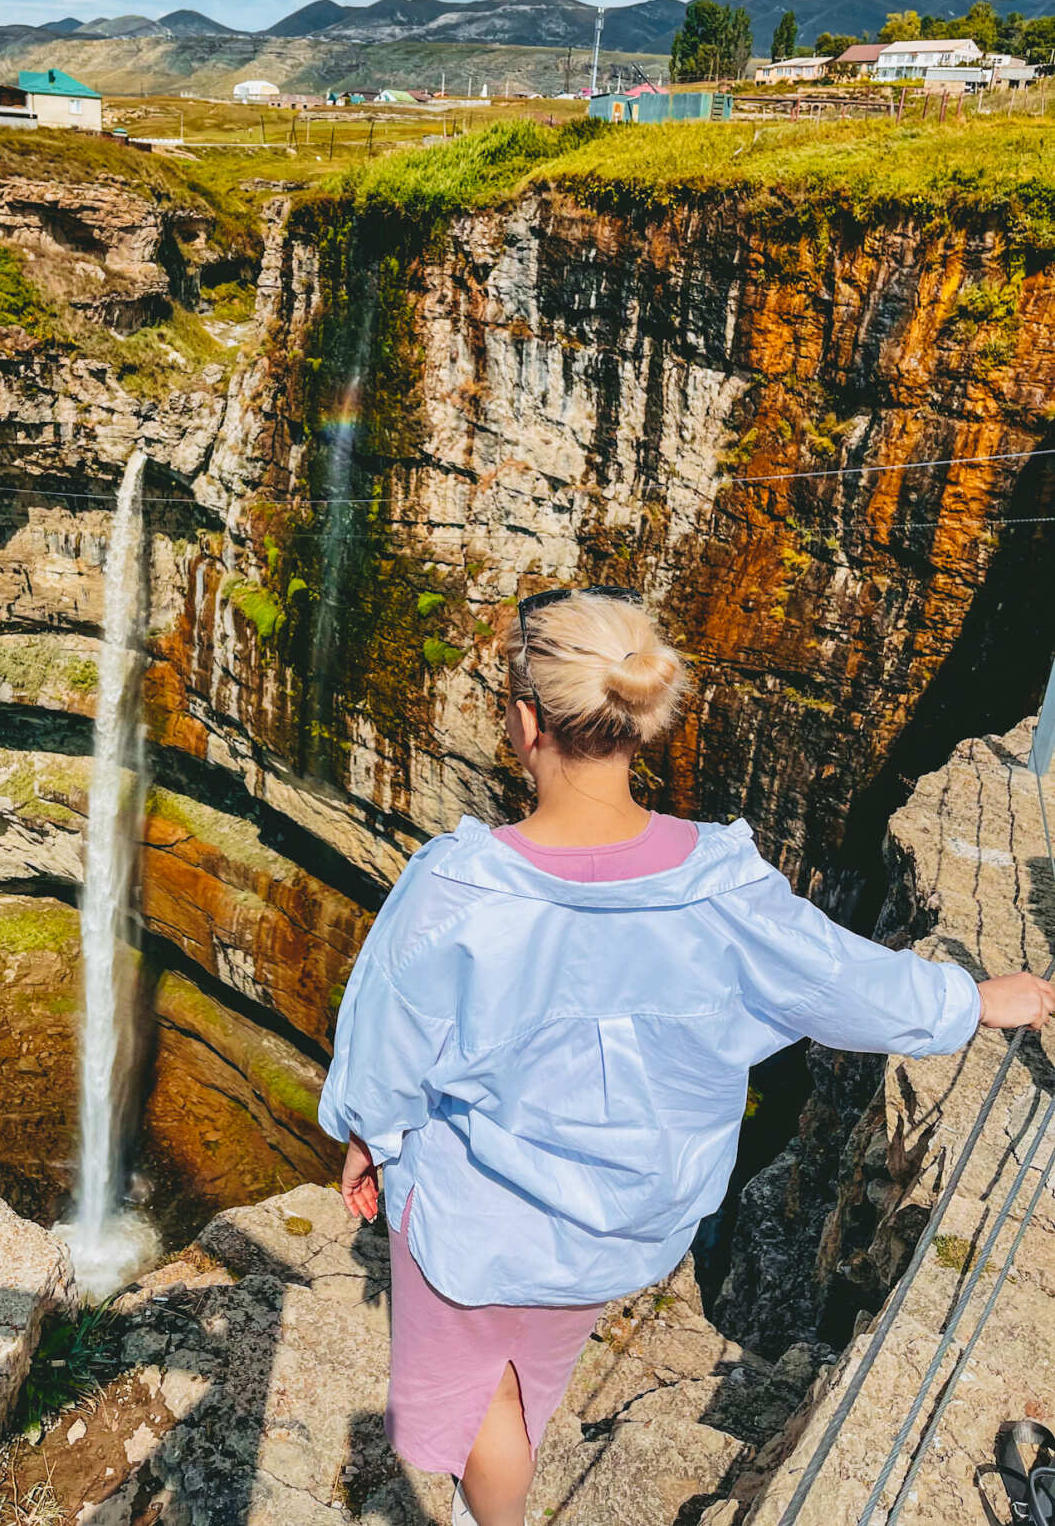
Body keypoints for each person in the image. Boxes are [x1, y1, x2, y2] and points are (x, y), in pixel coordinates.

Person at [317, 587, 1054, 1526]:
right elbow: (841, 981)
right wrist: (972, 999)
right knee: (534, 1372)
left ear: (524, 718)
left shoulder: (456, 891)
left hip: (481, 1222)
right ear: (635, 720)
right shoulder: (723, 885)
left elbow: (384, 1050)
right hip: (628, 1224)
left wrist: (365, 1139)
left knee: (476, 1404)